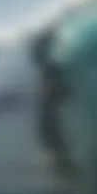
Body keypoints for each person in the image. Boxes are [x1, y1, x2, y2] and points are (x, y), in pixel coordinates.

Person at [31, 26, 75, 178]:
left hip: (50, 113)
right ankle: (62, 168)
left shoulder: (50, 70)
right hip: (49, 113)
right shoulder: (50, 70)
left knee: (51, 138)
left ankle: (63, 168)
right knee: (51, 138)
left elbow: (59, 93)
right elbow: (60, 93)